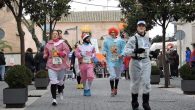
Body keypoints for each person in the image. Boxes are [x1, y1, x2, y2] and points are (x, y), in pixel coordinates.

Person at [123, 20, 151, 110]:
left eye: (143, 26)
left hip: (146, 62)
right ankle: (135, 103)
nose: (141, 27)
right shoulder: (132, 39)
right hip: (135, 62)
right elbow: (126, 52)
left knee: (146, 82)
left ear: (145, 27)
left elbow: (148, 50)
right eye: (140, 26)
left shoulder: (148, 38)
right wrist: (134, 51)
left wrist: (152, 53)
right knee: (135, 83)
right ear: (137, 27)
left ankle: (146, 103)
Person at [43, 30, 70, 106]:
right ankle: (54, 99)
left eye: (56, 34)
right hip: (51, 65)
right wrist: (45, 55)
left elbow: (67, 51)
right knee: (53, 81)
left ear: (58, 35)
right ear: (51, 35)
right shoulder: (48, 44)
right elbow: (45, 52)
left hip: (61, 64)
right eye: (53, 34)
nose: (54, 35)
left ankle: (61, 91)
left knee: (60, 81)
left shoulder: (62, 43)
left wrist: (61, 53)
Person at [102, 27, 125, 97]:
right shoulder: (106, 41)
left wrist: (122, 54)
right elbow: (104, 49)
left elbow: (124, 49)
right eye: (111, 33)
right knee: (112, 75)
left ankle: (116, 88)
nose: (112, 34)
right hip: (110, 60)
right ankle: (112, 89)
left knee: (117, 76)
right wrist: (104, 53)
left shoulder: (120, 41)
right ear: (109, 33)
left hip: (118, 60)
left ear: (116, 33)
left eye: (114, 33)